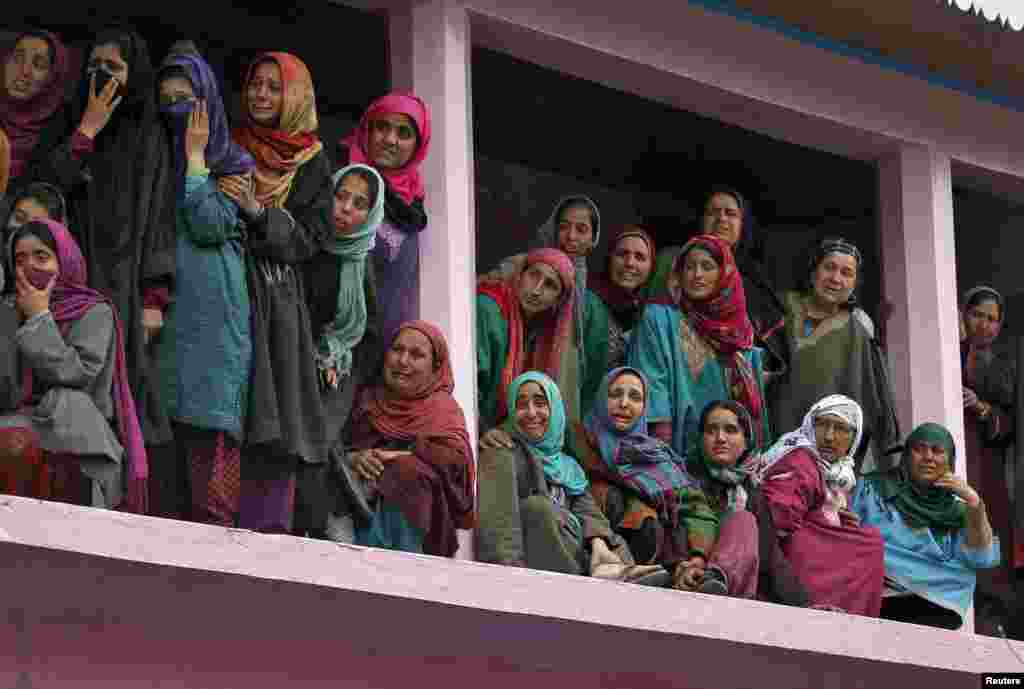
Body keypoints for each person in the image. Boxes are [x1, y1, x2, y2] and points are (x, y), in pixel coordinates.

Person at [26, 27, 178, 512]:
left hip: (124, 285)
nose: (102, 76)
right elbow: (41, 197)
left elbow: (158, 213)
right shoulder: (69, 123)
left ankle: (116, 501)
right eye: (95, 66)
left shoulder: (148, 132)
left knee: (122, 390)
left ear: (133, 76)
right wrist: (86, 131)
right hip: (65, 284)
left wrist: (155, 295)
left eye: (114, 68)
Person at [228, 51, 330, 535]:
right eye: (255, 84)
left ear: (294, 96)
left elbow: (311, 238)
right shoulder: (229, 143)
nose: (261, 95)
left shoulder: (312, 160)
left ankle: (271, 528)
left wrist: (257, 212)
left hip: (280, 303)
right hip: (231, 286)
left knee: (279, 413)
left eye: (274, 87)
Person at [154, 49, 255, 526]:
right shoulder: (153, 161)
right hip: (168, 313)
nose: (176, 109)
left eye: (186, 100)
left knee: (210, 438)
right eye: (166, 99)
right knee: (164, 443)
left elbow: (211, 223)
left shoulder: (232, 163)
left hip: (215, 320)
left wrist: (196, 161)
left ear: (207, 104)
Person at [0, 219, 146, 510]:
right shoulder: (7, 309)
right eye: (20, 259)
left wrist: (39, 317)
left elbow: (78, 375)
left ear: (64, 261)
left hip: (75, 430)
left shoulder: (94, 311)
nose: (30, 266)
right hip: (18, 422)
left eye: (41, 256)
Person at [477, 370, 663, 581]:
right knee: (538, 508)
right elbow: (500, 527)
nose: (531, 412)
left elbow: (588, 512)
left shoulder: (567, 466)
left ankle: (618, 573)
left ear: (555, 409)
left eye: (540, 403)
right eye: (521, 405)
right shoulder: (502, 449)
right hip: (542, 570)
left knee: (608, 537)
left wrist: (599, 544)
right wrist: (506, 576)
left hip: (578, 554)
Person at [628, 233, 771, 459]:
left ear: (724, 275)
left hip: (725, 456)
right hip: (672, 450)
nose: (697, 275)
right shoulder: (658, 319)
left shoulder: (738, 332)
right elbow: (651, 384)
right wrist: (661, 452)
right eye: (690, 267)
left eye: (707, 266)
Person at [337, 320, 474, 556]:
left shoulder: (443, 411)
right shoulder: (365, 400)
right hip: (351, 524)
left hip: (419, 539)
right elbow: (334, 448)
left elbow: (456, 466)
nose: (403, 361)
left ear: (435, 367)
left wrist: (396, 456)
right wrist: (356, 459)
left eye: (416, 355)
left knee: (408, 471)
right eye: (397, 349)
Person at [769, 237, 899, 473]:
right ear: (812, 272)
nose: (836, 279)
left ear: (855, 283)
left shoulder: (858, 329)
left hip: (829, 459)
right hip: (776, 445)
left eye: (846, 272)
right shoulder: (779, 310)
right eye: (829, 267)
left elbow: (872, 397)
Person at [852, 422, 1000, 630]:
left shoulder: (957, 512)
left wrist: (974, 503)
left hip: (936, 605)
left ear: (950, 461)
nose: (928, 457)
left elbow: (980, 558)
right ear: (906, 456)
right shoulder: (872, 489)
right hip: (878, 594)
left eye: (937, 451)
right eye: (919, 449)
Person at [574, 367, 717, 573]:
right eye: (615, 394)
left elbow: (696, 510)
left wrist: (698, 556)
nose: (624, 404)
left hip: (657, 555)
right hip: (596, 547)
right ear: (601, 399)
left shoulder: (657, 455)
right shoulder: (580, 441)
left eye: (635, 397)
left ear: (644, 408)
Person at [306, 163, 382, 541]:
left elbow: (369, 335)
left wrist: (337, 356)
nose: (346, 208)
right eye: (340, 196)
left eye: (359, 203)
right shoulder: (306, 241)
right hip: (295, 360)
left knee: (321, 438)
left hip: (338, 373)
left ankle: (332, 520)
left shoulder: (362, 263)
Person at [757, 394, 885, 615]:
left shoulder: (834, 471)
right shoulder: (800, 461)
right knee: (870, 545)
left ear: (854, 437)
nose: (828, 437)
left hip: (804, 540)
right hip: (786, 549)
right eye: (822, 425)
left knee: (868, 539)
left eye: (840, 429)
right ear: (809, 425)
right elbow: (778, 518)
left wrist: (836, 519)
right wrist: (823, 521)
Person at [479, 195, 604, 417]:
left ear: (594, 238)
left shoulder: (590, 303)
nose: (571, 236)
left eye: (581, 229)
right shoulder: (513, 276)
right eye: (564, 227)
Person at [647, 188, 788, 383]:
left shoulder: (755, 282)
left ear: (743, 225)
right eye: (713, 212)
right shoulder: (671, 261)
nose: (721, 218)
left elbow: (769, 359)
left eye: (730, 213)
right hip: (670, 372)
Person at [681, 400, 814, 604]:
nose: (720, 438)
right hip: (687, 582)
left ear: (746, 441)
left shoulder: (752, 492)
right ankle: (711, 581)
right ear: (701, 438)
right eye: (711, 430)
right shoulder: (682, 478)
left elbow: (771, 559)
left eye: (731, 430)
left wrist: (807, 608)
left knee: (743, 520)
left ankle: (717, 580)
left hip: (735, 595)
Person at [335, 93, 430, 368]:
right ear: (367, 130)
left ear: (418, 145)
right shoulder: (339, 181)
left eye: (403, 133)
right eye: (382, 127)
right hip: (332, 354)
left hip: (386, 363)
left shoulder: (412, 204)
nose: (390, 140)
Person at [958, 285, 1018, 632]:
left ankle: (995, 618)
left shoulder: (1005, 364)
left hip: (987, 458)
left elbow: (1012, 420)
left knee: (990, 525)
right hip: (954, 450)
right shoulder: (948, 351)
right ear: (964, 316)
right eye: (977, 315)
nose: (984, 325)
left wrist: (981, 407)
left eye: (992, 319)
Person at [477, 248, 576, 439]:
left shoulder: (542, 331)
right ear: (520, 275)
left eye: (550, 285)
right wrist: (483, 429)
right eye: (533, 275)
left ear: (558, 300)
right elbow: (470, 382)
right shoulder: (489, 309)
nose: (537, 290)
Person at [0, 30, 70, 190]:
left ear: (53, 77)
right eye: (17, 58)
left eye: (39, 64)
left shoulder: (63, 131)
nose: (23, 71)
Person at [586, 225, 656, 371]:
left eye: (640, 257)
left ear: (651, 267)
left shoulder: (650, 315)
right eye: (622, 254)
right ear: (609, 259)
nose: (630, 263)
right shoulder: (587, 303)